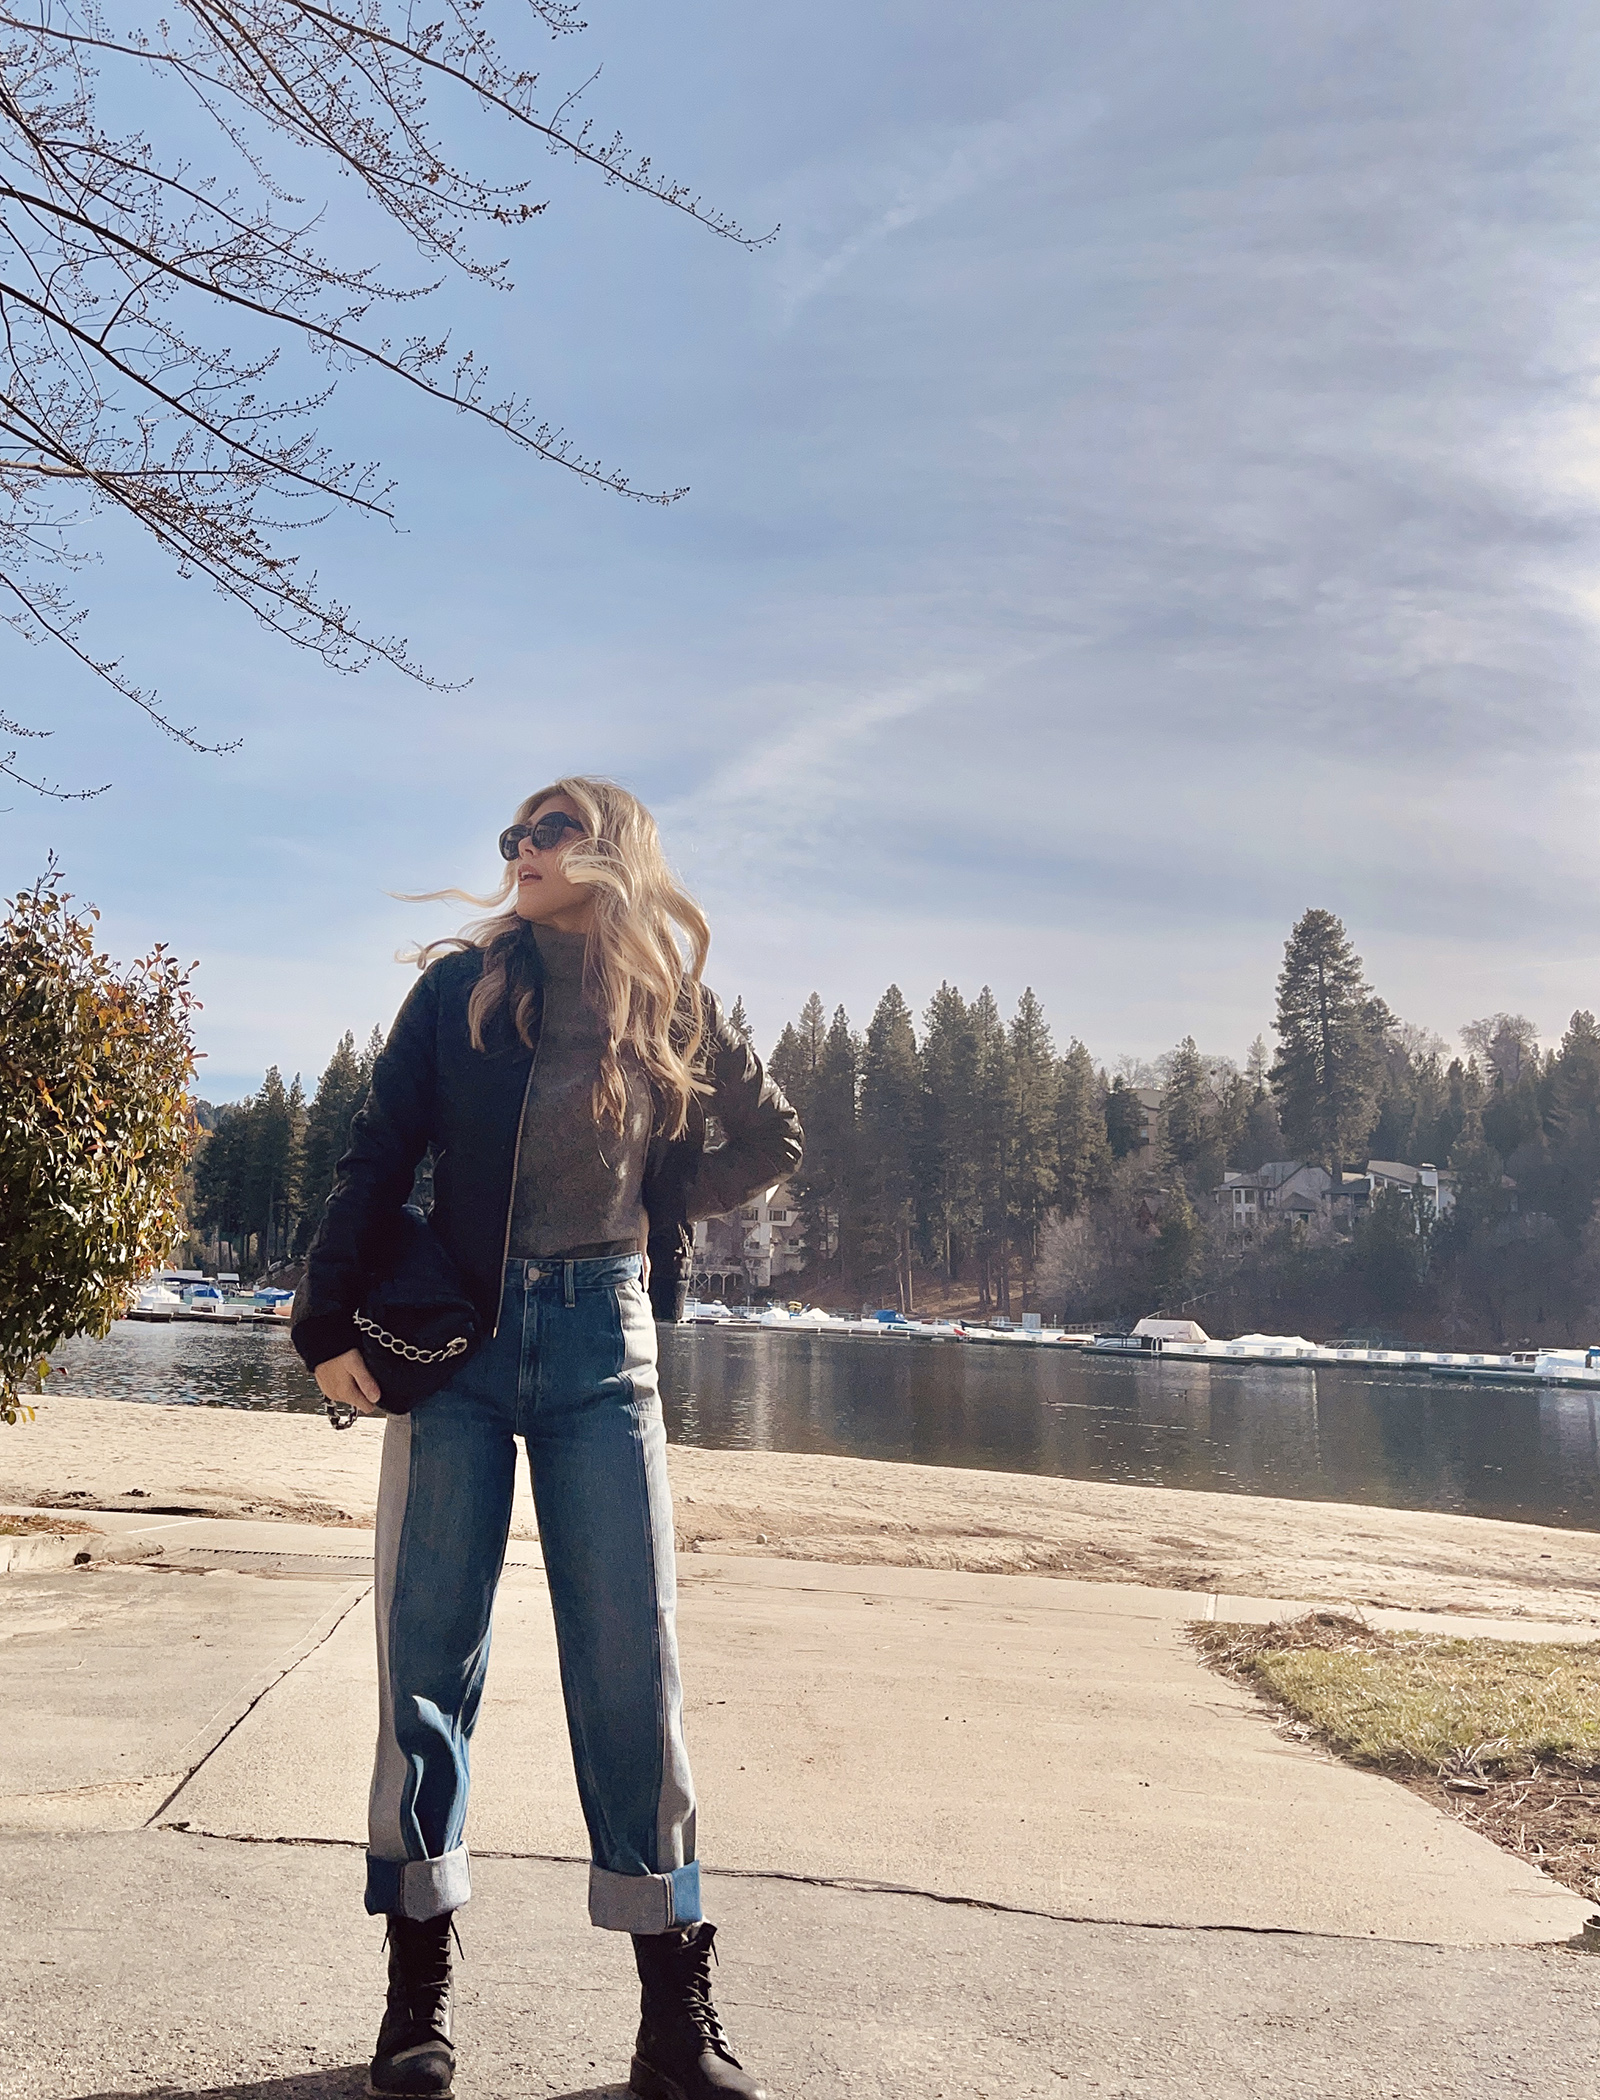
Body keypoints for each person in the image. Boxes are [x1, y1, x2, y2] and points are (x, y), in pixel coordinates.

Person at [292, 777, 803, 2100]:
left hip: (603, 1349)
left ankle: (672, 2014)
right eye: (510, 838)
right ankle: (417, 1998)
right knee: (428, 1666)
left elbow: (772, 1135)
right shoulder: (461, 991)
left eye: (547, 834)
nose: (518, 854)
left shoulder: (668, 1004)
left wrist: (659, 1198)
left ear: (612, 855)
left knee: (634, 1678)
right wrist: (321, 1323)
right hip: (454, 1349)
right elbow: (375, 1153)